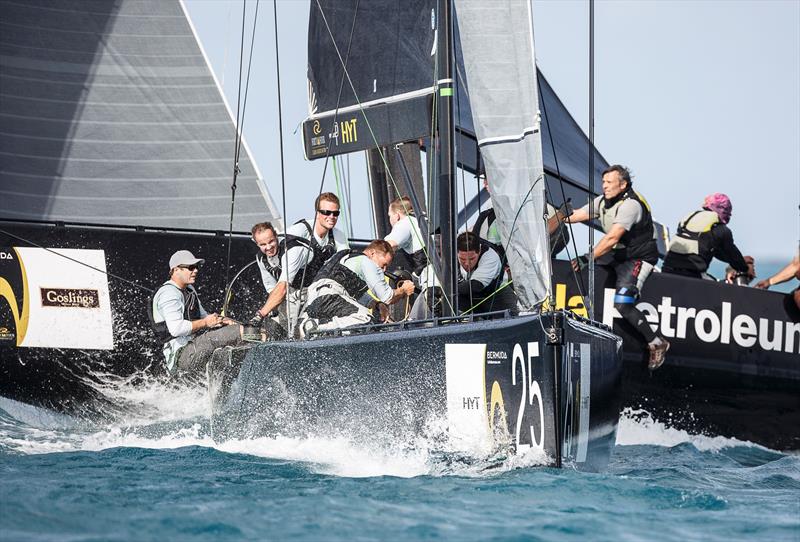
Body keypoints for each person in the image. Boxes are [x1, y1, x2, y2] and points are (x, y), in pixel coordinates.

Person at [566, 164, 669, 370]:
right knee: (586, 274)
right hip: (620, 254)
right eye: (603, 182)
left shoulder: (630, 205)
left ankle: (657, 342)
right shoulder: (603, 201)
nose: (604, 186)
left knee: (622, 303)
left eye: (609, 182)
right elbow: (577, 215)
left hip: (640, 258)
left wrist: (588, 257)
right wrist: (556, 216)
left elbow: (612, 238)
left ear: (623, 185)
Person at [252, 192, 349, 333]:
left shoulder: (339, 237)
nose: (331, 217)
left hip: (321, 289)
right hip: (293, 289)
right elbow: (277, 286)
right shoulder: (297, 232)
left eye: (335, 213)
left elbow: (347, 268)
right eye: (326, 212)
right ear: (317, 213)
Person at [149, 250, 254, 375]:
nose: (196, 270)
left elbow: (204, 316)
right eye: (191, 267)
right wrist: (206, 322)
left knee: (236, 343)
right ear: (176, 270)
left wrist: (221, 320)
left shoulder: (189, 289)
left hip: (192, 346)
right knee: (243, 332)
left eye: (197, 267)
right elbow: (176, 329)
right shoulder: (169, 294)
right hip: (181, 354)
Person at [298, 240, 415, 334]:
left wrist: (377, 304)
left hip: (314, 298)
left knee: (352, 323)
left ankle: (318, 329)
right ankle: (316, 327)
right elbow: (387, 297)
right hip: (329, 296)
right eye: (384, 264)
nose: (383, 270)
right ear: (373, 253)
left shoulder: (349, 259)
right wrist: (404, 290)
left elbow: (355, 293)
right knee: (366, 320)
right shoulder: (367, 261)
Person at [662, 193, 754, 282]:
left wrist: (738, 260)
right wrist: (745, 267)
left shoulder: (690, 218)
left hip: (667, 269)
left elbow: (708, 249)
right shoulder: (721, 229)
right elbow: (734, 258)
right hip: (692, 275)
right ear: (724, 211)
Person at [472, 175, 571, 258]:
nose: (484, 184)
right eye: (484, 180)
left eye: (487, 179)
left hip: (538, 252)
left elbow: (541, 231)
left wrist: (561, 214)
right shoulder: (491, 204)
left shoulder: (534, 204)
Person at [456, 231, 516, 314]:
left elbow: (476, 285)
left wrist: (448, 291)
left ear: (479, 251)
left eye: (471, 259)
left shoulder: (490, 256)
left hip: (498, 298)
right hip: (471, 298)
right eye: (462, 259)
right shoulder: (451, 256)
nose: (467, 263)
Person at [385, 196, 427, 276]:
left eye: (390, 216)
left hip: (428, 273)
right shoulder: (423, 218)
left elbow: (389, 245)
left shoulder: (404, 223)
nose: (390, 219)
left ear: (397, 215)